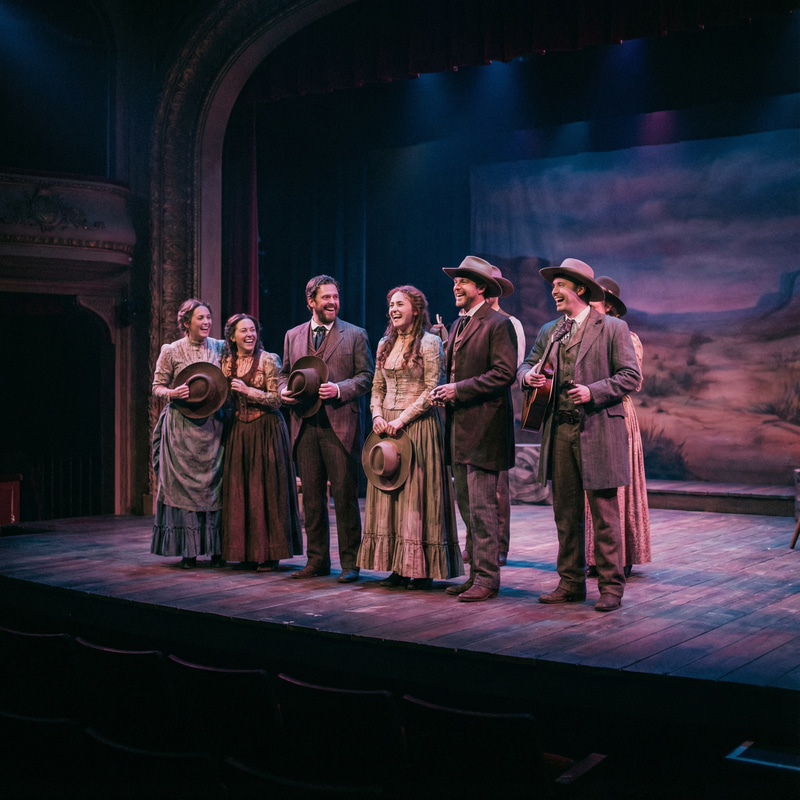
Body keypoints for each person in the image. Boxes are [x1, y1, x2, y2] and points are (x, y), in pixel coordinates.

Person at [518, 259, 641, 611]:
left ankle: (611, 588)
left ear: (580, 289)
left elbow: (630, 376)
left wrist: (593, 391)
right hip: (560, 430)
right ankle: (570, 582)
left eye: (559, 285)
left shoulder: (613, 328)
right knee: (565, 513)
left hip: (598, 427)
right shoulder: (550, 330)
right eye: (553, 286)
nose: (554, 291)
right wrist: (528, 377)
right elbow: (528, 363)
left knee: (604, 513)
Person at [356, 285, 463, 589]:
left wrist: (402, 419)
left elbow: (433, 388)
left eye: (399, 304)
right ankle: (397, 565)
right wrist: (377, 415)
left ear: (416, 309)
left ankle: (422, 567)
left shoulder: (430, 343)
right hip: (385, 427)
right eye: (391, 304)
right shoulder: (384, 344)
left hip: (417, 427)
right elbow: (377, 386)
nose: (393, 309)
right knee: (390, 497)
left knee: (417, 498)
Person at [430, 256, 517, 602]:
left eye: (463, 280)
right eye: (455, 280)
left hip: (484, 430)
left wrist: (458, 390)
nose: (456, 285)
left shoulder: (497, 324)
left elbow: (503, 373)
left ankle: (488, 579)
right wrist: (444, 391)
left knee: (482, 509)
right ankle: (476, 574)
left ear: (481, 287)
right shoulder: (459, 324)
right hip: (460, 429)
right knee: (467, 509)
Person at [278, 275, 374, 583]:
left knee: (345, 497)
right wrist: (282, 391)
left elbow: (367, 377)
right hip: (304, 424)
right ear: (311, 302)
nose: (332, 302)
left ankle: (350, 563)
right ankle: (316, 560)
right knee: (312, 499)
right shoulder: (293, 335)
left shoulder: (355, 334)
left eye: (335, 297)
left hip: (340, 424)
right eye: (326, 298)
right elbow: (284, 374)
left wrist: (340, 389)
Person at [220, 313, 302, 572]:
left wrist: (248, 391)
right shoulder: (226, 362)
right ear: (232, 336)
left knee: (266, 491)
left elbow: (277, 399)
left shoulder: (269, 360)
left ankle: (269, 554)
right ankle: (244, 551)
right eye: (243, 331)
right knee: (241, 491)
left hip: (267, 429)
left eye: (253, 330)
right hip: (239, 431)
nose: (249, 335)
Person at [151, 298, 228, 569]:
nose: (207, 322)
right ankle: (189, 550)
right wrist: (173, 393)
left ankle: (217, 549)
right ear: (186, 322)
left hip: (213, 427)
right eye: (200, 318)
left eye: (209, 317)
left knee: (215, 486)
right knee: (183, 488)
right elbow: (157, 386)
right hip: (182, 427)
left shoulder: (221, 347)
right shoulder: (171, 350)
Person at [585, 277, 651, 578]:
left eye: (596, 298)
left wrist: (594, 390)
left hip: (615, 414)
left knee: (616, 486)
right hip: (585, 414)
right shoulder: (578, 334)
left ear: (609, 305)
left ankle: (619, 554)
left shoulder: (625, 335)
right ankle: (592, 554)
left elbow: (632, 379)